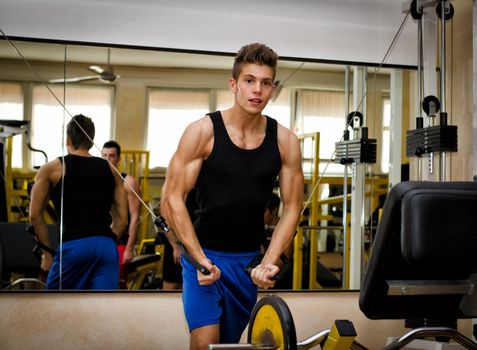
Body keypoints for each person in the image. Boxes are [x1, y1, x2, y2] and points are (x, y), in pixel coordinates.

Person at [160, 43, 304, 349]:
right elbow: (172, 198)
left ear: (272, 88)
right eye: (249, 81)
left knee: (228, 343)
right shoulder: (203, 132)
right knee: (206, 342)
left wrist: (268, 262)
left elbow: (292, 207)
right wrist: (199, 259)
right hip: (204, 255)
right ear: (233, 84)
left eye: (266, 83)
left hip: (246, 263)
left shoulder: (285, 141)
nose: (257, 90)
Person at [29, 114, 128, 289]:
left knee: (53, 308)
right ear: (91, 141)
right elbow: (122, 220)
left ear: (68, 139)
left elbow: (34, 217)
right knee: (103, 309)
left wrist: (47, 254)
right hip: (106, 248)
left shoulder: (51, 169)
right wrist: (106, 240)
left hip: (73, 247)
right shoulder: (112, 170)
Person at [102, 140, 142, 289]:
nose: (107, 159)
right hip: (103, 240)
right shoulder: (100, 179)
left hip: (121, 242)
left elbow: (136, 217)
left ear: (118, 158)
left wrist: (129, 248)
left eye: (111, 156)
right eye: (104, 155)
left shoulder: (128, 182)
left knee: (117, 285)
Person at [261, 192, 294, 290]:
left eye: (264, 211)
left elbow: (284, 260)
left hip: (282, 282)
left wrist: (263, 270)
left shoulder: (285, 229)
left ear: (274, 210)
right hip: (264, 278)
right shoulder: (263, 230)